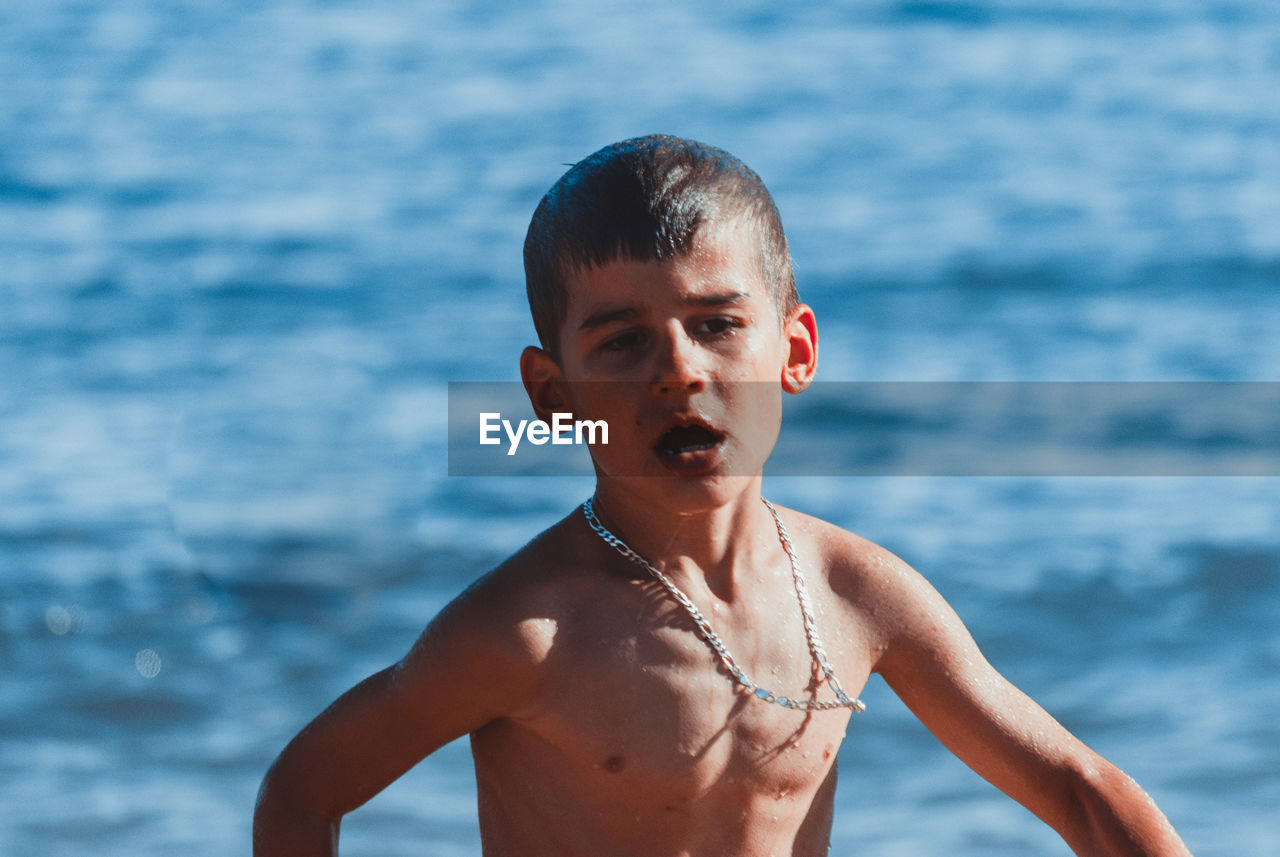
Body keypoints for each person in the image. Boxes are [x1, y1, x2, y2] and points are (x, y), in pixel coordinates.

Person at [253, 135, 1191, 856]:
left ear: (793, 352)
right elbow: (305, 789)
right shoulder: (527, 632)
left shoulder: (857, 595)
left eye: (716, 325)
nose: (678, 372)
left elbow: (1077, 788)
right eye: (622, 341)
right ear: (553, 395)